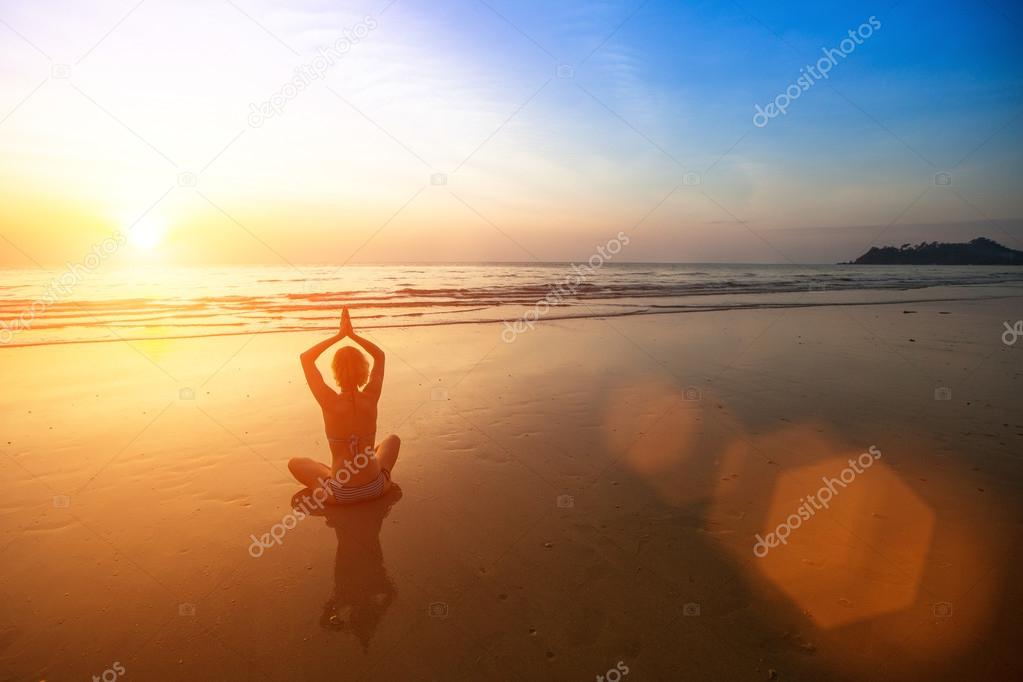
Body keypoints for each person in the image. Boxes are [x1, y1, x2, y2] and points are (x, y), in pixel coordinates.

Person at [288, 307, 400, 504]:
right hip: (376, 487)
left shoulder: (329, 401)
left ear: (335, 372)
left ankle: (328, 472)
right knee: (392, 440)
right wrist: (353, 335)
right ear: (364, 371)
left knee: (295, 464)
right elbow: (380, 356)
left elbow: (306, 358)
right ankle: (367, 465)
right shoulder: (371, 396)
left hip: (339, 494)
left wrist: (339, 335)